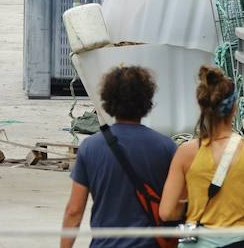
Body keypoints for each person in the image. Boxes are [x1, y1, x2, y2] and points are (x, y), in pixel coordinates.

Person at [159, 66, 244, 248]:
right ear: (234, 107)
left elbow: (167, 212)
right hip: (241, 243)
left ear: (201, 106)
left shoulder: (186, 153)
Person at [59, 65, 178, 248]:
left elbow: (74, 211)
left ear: (108, 100)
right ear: (147, 101)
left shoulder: (90, 148)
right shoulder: (167, 147)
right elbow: (177, 205)